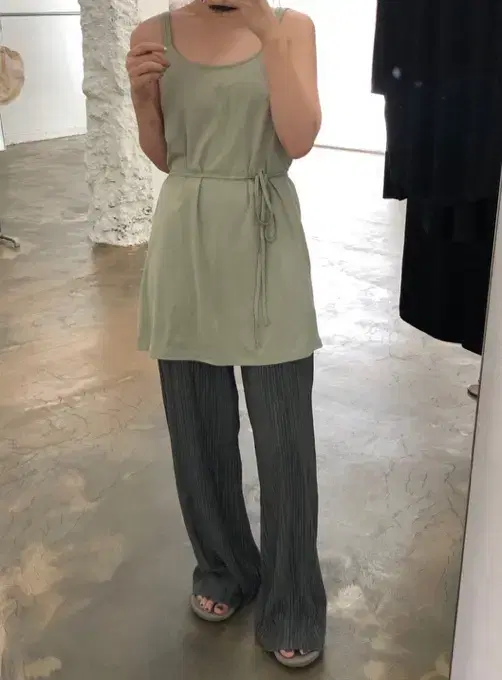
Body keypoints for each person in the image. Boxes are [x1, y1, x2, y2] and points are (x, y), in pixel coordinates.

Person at [126, 0, 326, 668]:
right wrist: (143, 99)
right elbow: (165, 156)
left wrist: (266, 32)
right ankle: (223, 568)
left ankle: (293, 601)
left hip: (266, 237)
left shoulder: (291, 27)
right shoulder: (154, 33)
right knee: (197, 428)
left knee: (285, 437)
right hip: (186, 239)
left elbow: (298, 139)